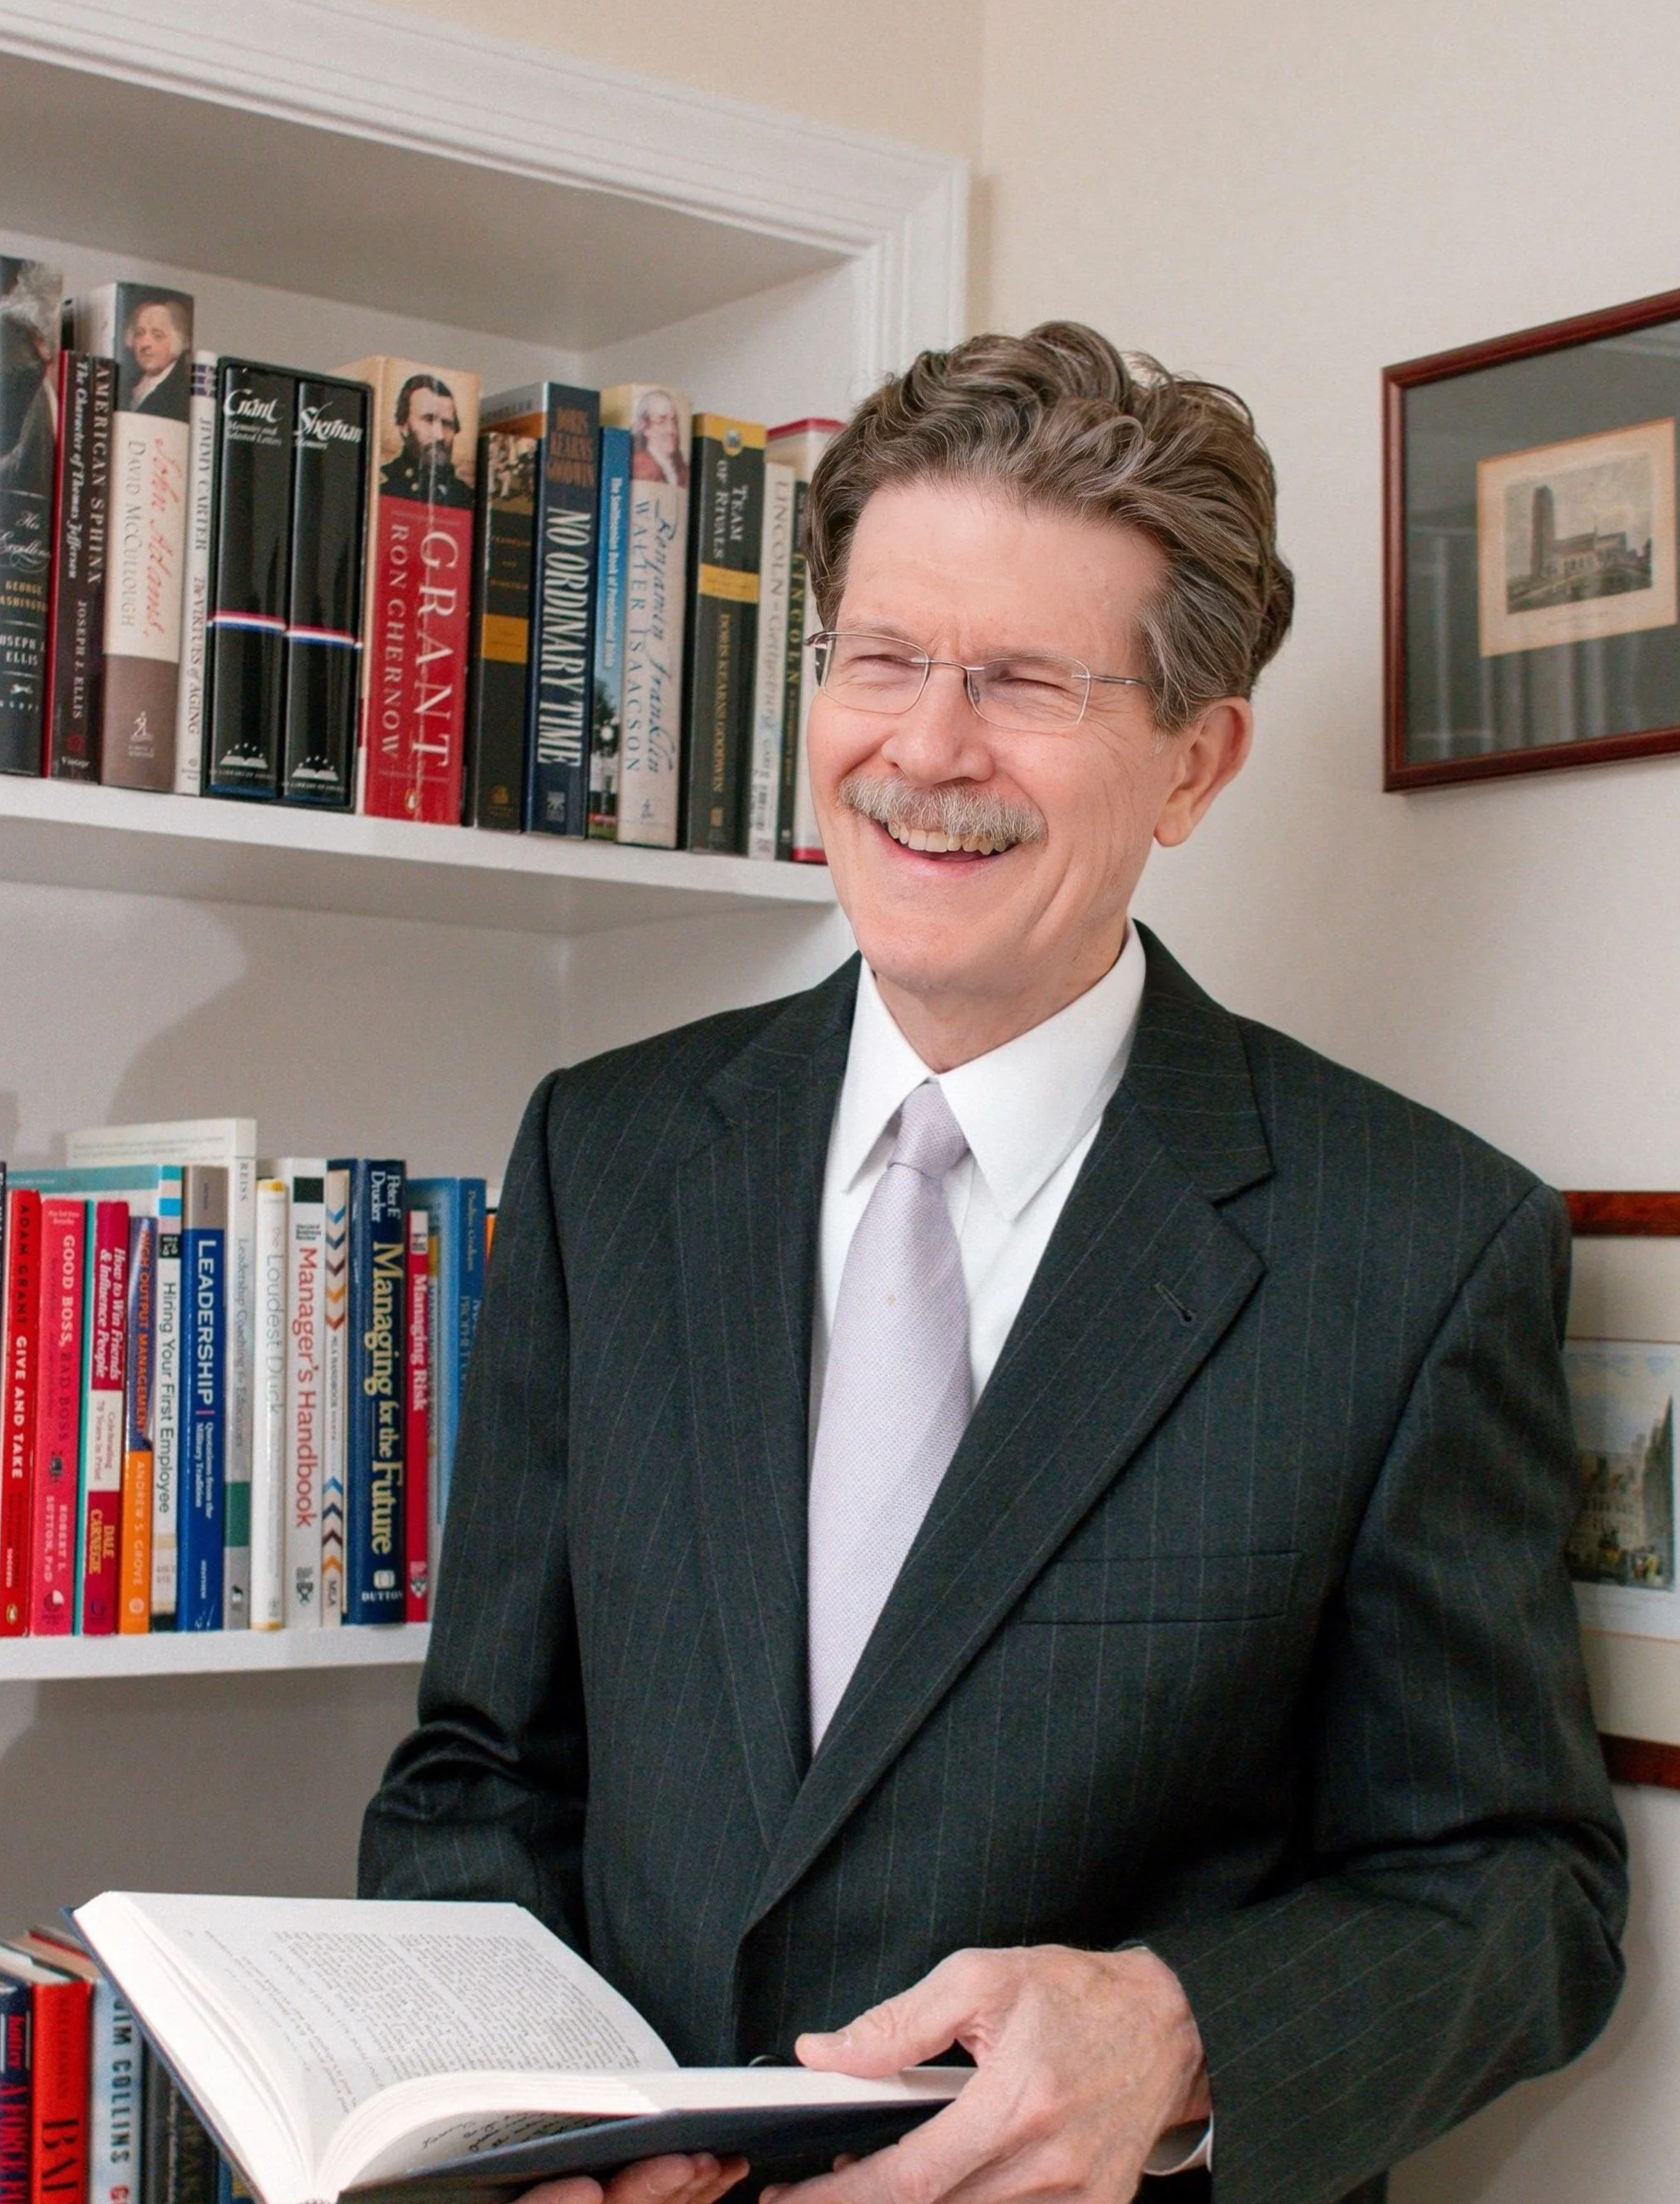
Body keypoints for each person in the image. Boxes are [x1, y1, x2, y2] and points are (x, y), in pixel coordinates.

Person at [361, 323, 1627, 2204]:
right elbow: (479, 1770)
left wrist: (1181, 2032)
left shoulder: (1420, 1244)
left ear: (1193, 759)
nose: (927, 748)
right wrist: (515, 2121)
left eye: (1026, 680)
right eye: (881, 658)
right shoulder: (600, 1154)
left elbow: (1522, 1887)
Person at [381, 371, 473, 507]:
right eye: (428, 419)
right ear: (403, 426)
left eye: (447, 424)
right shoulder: (382, 486)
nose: (439, 435)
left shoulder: (466, 496)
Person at [122, 293, 191, 419]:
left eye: (157, 336)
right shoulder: (128, 385)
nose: (145, 344)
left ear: (178, 340)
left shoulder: (183, 392)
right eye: (139, 333)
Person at [630, 384, 689, 487]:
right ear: (645, 427)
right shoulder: (638, 467)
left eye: (674, 421)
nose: (671, 429)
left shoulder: (682, 469)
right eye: (662, 421)